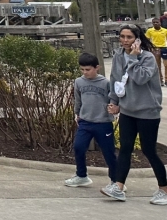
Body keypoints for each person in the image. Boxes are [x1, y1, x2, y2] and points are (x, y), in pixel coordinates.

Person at [101, 24, 167, 205]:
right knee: (125, 148)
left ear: (137, 39)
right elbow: (115, 80)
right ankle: (119, 187)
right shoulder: (118, 56)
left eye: (129, 37)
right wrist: (113, 102)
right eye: (122, 36)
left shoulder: (147, 58)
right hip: (128, 111)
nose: (124, 41)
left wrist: (133, 58)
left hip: (147, 111)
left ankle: (164, 189)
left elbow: (140, 78)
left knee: (149, 150)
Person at [64, 52, 117, 188]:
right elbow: (78, 99)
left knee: (108, 152)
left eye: (88, 69)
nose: (85, 72)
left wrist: (114, 108)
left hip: (103, 123)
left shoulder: (106, 83)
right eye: (82, 69)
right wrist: (77, 113)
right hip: (85, 122)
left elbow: (114, 99)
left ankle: (116, 181)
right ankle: (81, 176)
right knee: (78, 147)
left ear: (97, 68)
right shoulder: (79, 81)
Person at [145, 15, 167, 86]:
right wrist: (150, 48)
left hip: (164, 48)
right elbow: (147, 40)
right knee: (157, 66)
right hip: (155, 49)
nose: (155, 24)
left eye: (157, 22)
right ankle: (160, 80)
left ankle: (166, 79)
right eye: (154, 22)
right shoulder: (150, 31)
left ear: (160, 23)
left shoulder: (165, 30)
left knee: (166, 65)